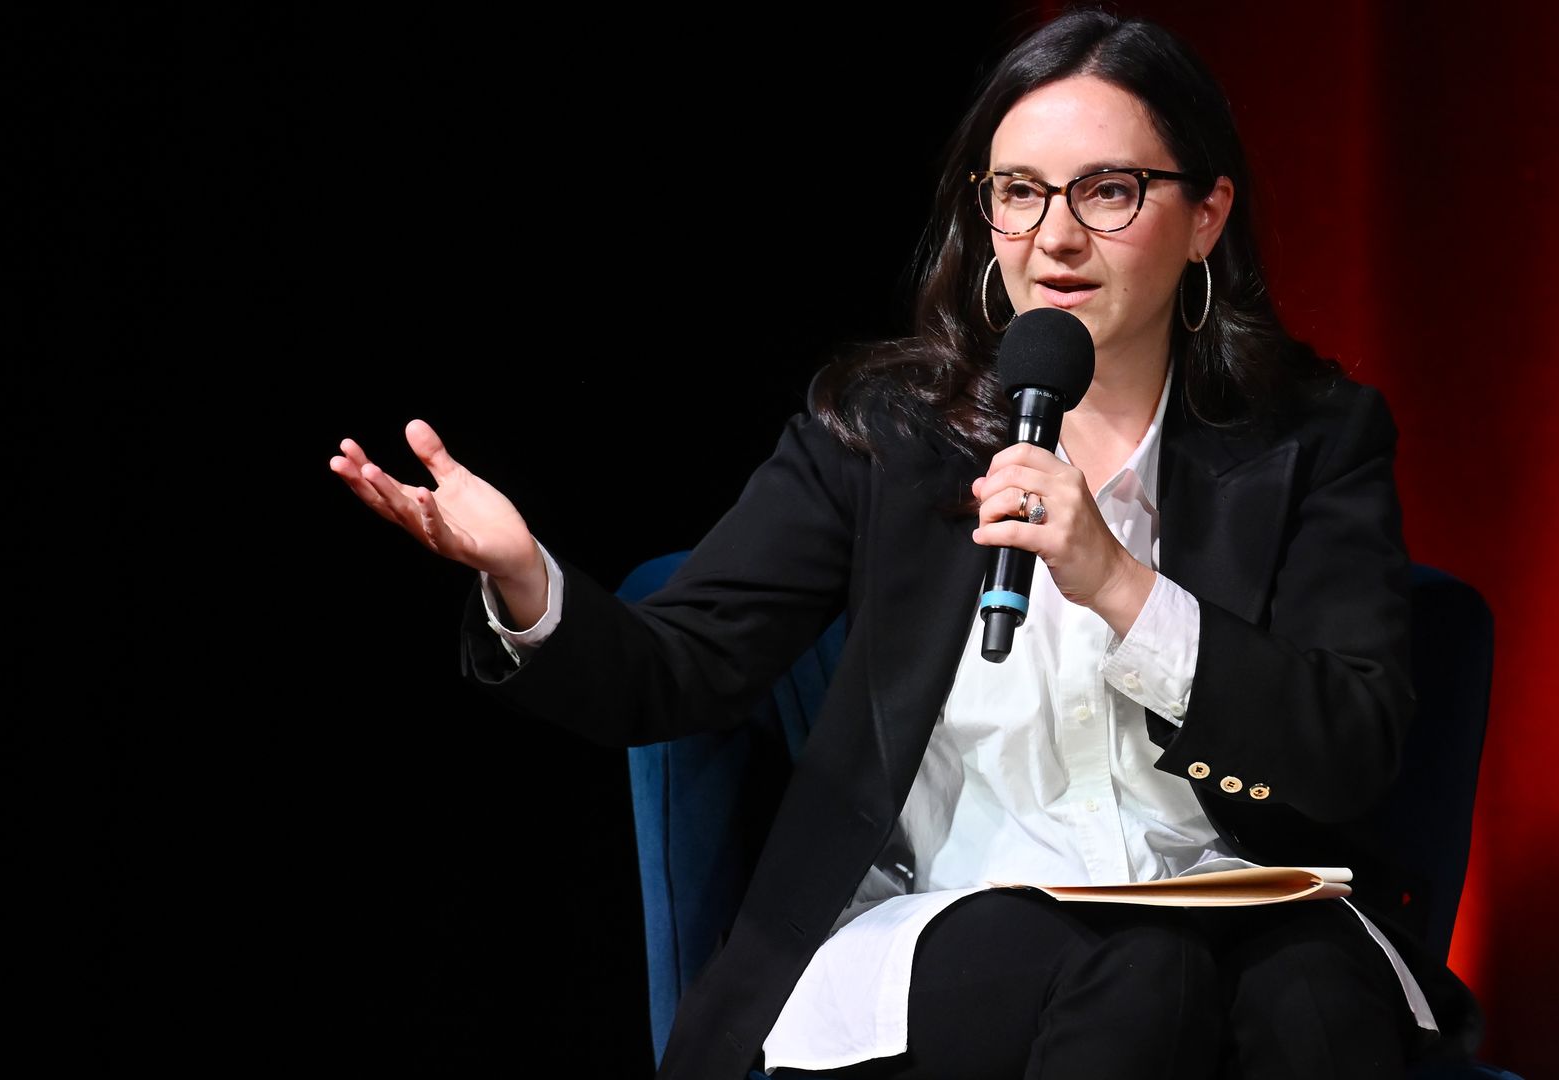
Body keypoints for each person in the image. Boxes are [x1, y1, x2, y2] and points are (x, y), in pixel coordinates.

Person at [330, 9, 1479, 1079]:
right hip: (966, 905)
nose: (1057, 238)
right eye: (1020, 194)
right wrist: (526, 581)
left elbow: (1351, 747)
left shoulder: (1312, 436)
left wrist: (1121, 586)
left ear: (1206, 217)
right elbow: (678, 671)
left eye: (1110, 192)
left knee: (1311, 997)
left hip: (1239, 895)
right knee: (1144, 973)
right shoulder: (888, 436)